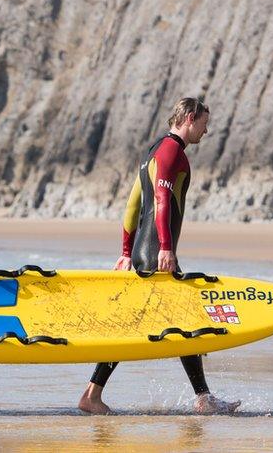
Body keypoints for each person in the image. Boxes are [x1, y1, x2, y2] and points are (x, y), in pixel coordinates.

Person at [78, 97, 241, 416]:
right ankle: (204, 400)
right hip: (156, 254)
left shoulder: (151, 152)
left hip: (143, 252)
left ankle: (92, 394)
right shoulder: (171, 152)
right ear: (190, 118)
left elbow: (131, 205)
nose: (205, 132)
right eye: (204, 124)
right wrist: (166, 248)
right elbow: (162, 199)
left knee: (145, 324)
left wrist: (127, 252)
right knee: (185, 321)